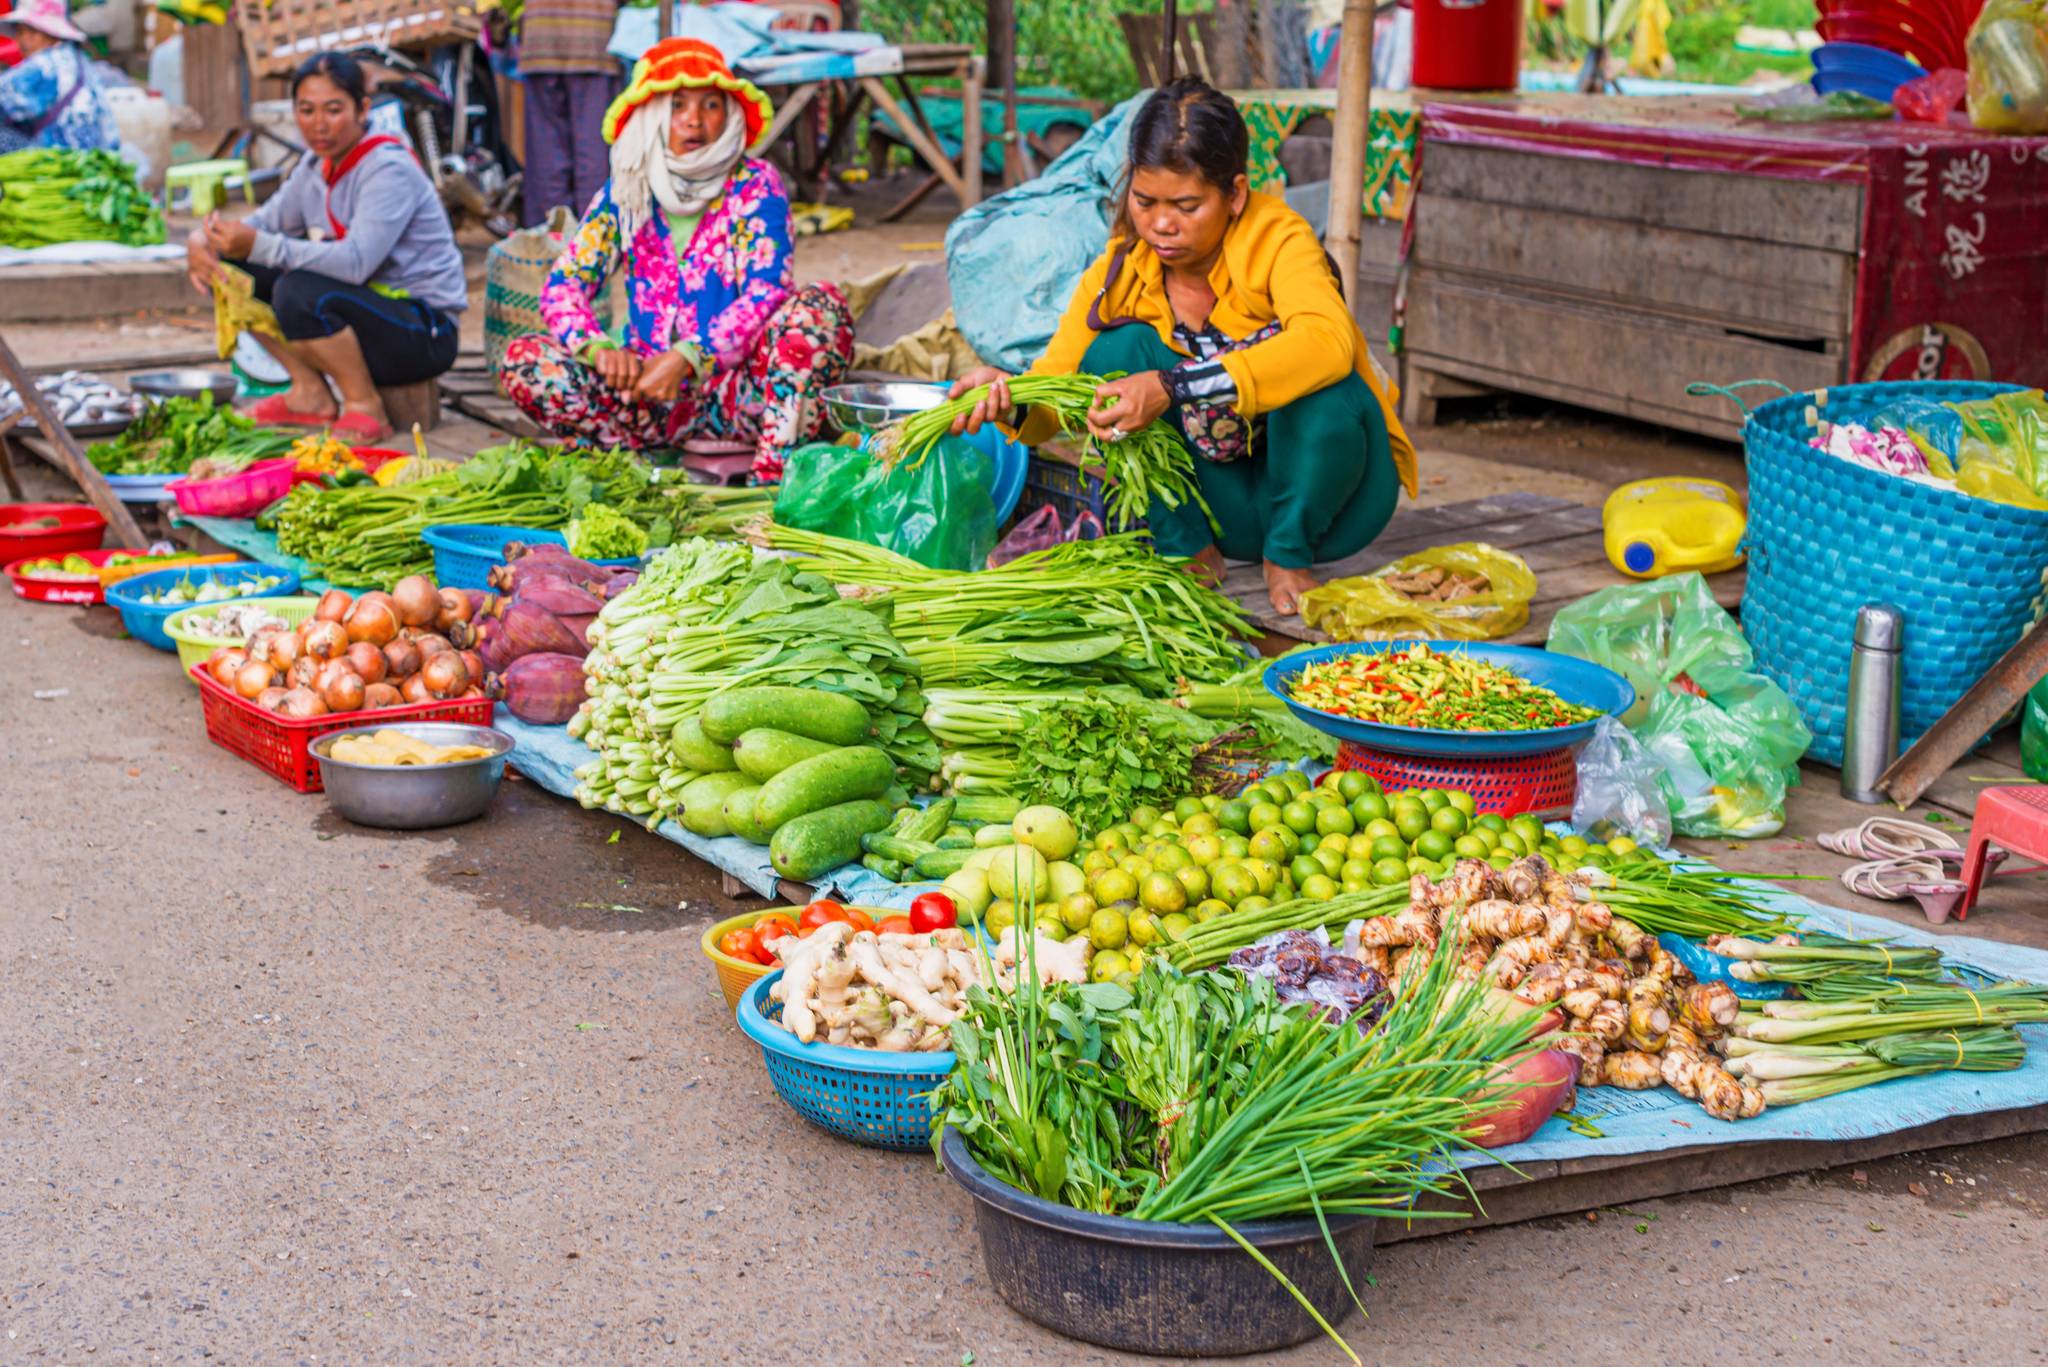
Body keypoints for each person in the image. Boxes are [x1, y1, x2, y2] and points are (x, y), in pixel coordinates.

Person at [950, 78, 1417, 617]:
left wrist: (1174, 386)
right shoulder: (1119, 272)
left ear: (1235, 195)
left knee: (1326, 385)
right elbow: (1062, 384)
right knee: (1111, 357)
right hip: (1220, 510)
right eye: (1145, 202)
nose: (1161, 224)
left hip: (1335, 506)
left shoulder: (1280, 239)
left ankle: (1287, 555)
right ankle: (1185, 546)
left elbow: (1327, 343)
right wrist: (1013, 397)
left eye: (1187, 205)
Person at [499, 38, 853, 481]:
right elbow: (565, 283)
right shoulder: (627, 189)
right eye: (677, 105)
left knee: (820, 308)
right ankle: (621, 473)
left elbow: (767, 293)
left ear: (729, 115)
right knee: (525, 359)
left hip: (737, 396)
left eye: (711, 105)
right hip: (642, 398)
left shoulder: (755, 185)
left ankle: (773, 486)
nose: (694, 120)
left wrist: (692, 356)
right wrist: (598, 347)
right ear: (651, 116)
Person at [182, 51, 466, 442]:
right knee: (231, 270)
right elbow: (260, 225)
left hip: (423, 331)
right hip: (372, 312)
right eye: (307, 110)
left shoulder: (387, 167)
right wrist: (202, 242)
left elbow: (355, 264)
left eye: (333, 110)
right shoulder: (315, 166)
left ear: (362, 109)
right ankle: (309, 392)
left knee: (298, 291)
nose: (319, 125)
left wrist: (260, 244)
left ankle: (364, 405)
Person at [516, 0, 621, 226]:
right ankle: (595, 238)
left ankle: (551, 238)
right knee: (593, 151)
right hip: (593, 40)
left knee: (546, 154)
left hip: (540, 38)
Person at [0, 0, 120, 155]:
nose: (22, 39)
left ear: (47, 34)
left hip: (64, 160)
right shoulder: (76, 59)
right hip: (96, 160)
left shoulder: (45, 65)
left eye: (29, 32)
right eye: (20, 32)